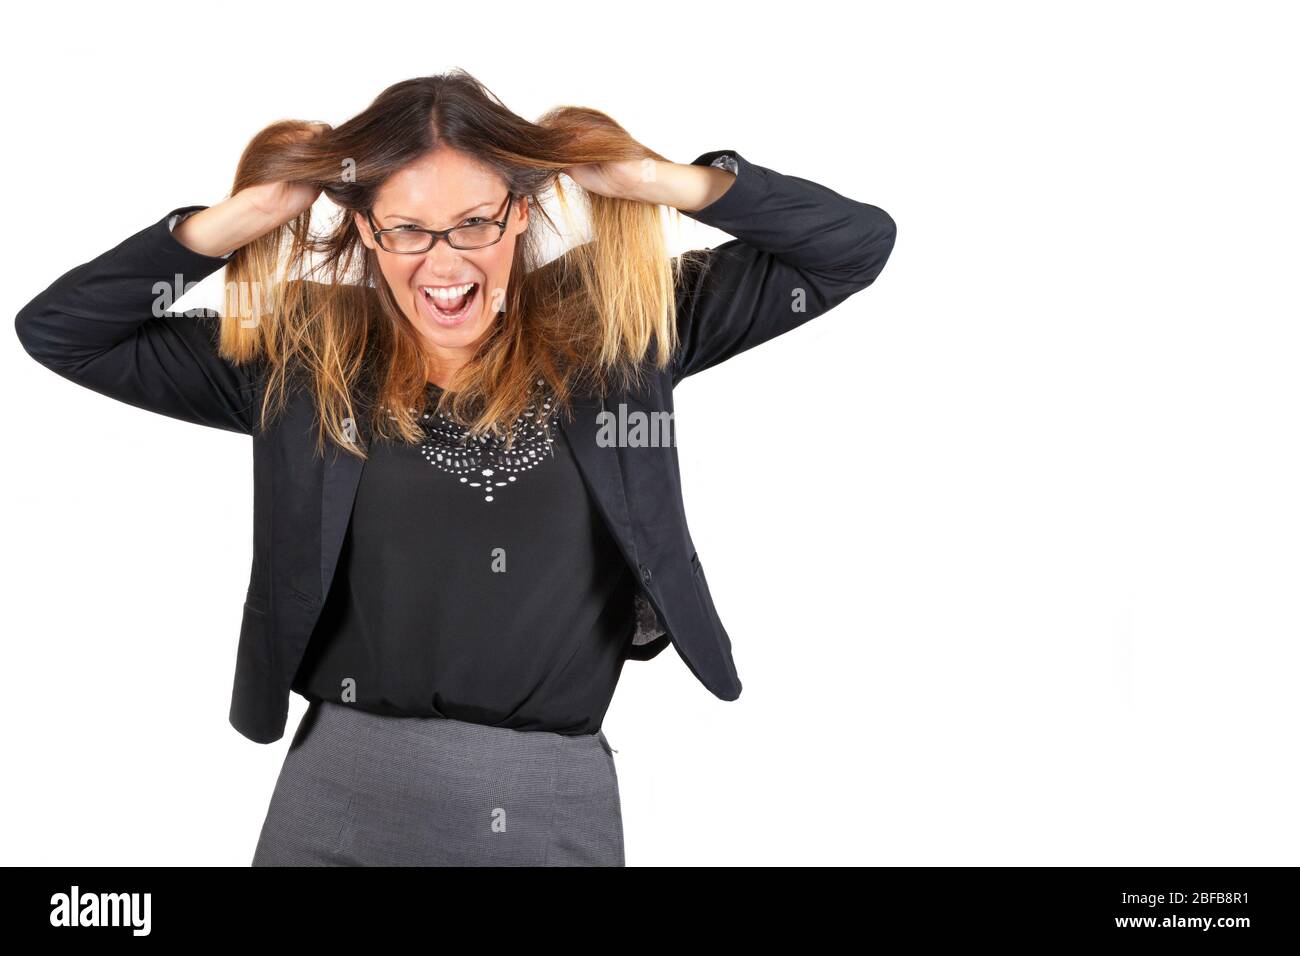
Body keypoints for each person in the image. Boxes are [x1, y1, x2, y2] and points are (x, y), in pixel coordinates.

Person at [14, 69, 897, 866]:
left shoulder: (619, 328)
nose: (444, 261)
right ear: (363, 228)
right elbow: (63, 333)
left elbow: (851, 248)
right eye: (406, 229)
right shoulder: (302, 359)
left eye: (476, 221)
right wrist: (223, 226)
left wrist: (662, 181)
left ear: (522, 211)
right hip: (336, 806)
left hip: (549, 804)